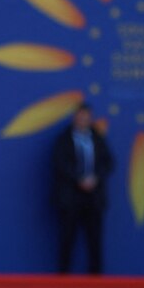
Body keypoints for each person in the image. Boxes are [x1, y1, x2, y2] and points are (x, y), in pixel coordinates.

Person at [50, 103, 114, 274]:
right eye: (80, 116)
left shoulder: (97, 138)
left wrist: (96, 178)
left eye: (86, 116)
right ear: (74, 117)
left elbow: (108, 162)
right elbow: (60, 163)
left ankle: (96, 280)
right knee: (67, 238)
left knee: (95, 239)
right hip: (71, 197)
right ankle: (63, 279)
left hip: (94, 197)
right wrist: (79, 179)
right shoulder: (63, 139)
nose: (83, 119)